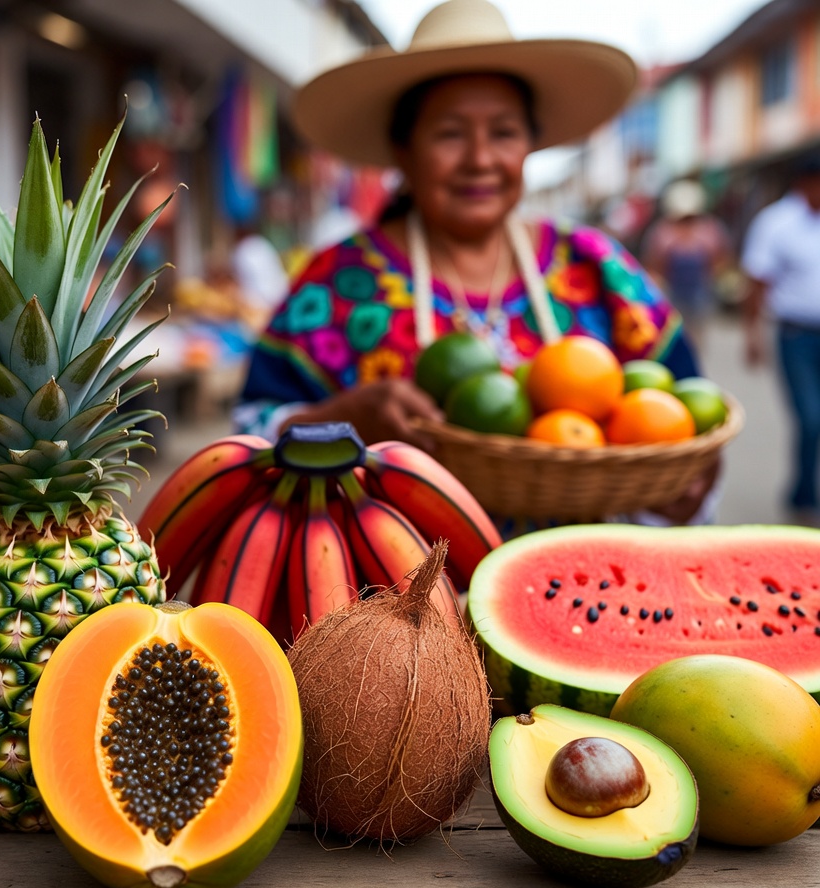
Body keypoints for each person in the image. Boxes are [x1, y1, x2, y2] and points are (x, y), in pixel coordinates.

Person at [234, 0, 712, 524]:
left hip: (587, 585)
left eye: (504, 133)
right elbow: (247, 440)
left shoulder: (596, 266)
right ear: (403, 149)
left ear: (530, 144)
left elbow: (683, 414)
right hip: (393, 593)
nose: (481, 159)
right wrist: (337, 420)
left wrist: (686, 484)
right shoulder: (336, 285)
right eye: (450, 134)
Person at [741, 152, 820, 523]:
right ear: (803, 184)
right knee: (809, 417)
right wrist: (752, 333)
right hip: (796, 336)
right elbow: (757, 281)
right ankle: (803, 495)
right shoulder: (776, 223)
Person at [642, 179, 731, 353]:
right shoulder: (663, 232)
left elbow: (721, 258)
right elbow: (654, 263)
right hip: (673, 292)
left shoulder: (709, 229)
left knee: (696, 335)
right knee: (674, 335)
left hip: (701, 292)